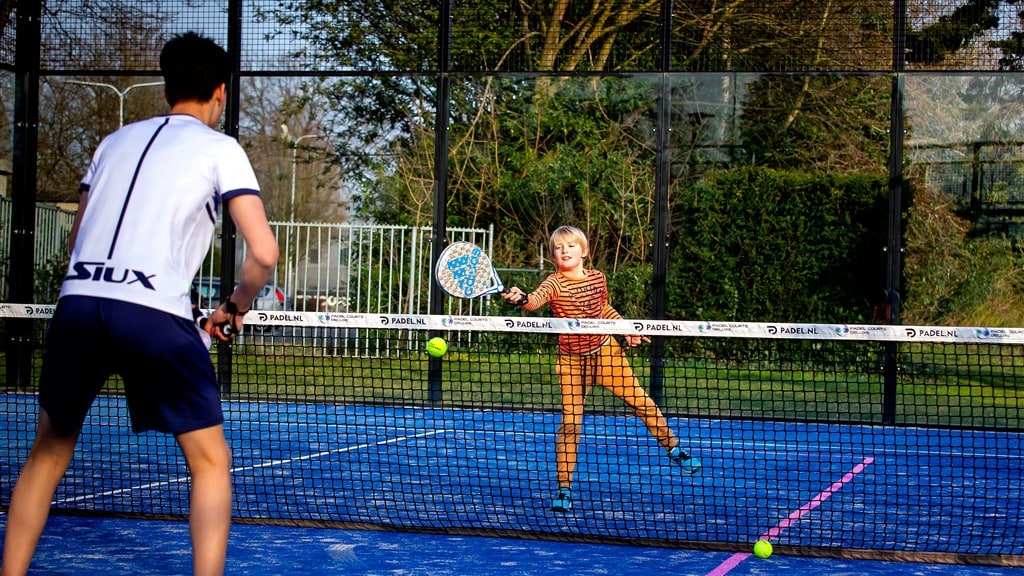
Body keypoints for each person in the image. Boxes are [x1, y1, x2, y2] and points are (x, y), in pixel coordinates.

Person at [1, 32, 279, 576]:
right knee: (210, 462)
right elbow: (264, 253)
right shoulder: (220, 148)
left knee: (46, 455)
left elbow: (78, 236)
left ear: (168, 86)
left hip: (78, 305)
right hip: (153, 315)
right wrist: (236, 304)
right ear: (220, 94)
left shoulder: (112, 142)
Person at [501, 225, 701, 513]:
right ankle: (564, 488)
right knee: (571, 423)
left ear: (584, 251)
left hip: (607, 354)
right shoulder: (554, 283)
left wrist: (625, 329)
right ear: (553, 255)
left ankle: (674, 449)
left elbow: (603, 308)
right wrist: (521, 297)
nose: (565, 250)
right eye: (558, 247)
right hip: (571, 362)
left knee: (643, 403)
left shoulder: (598, 278)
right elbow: (533, 302)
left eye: (571, 245)